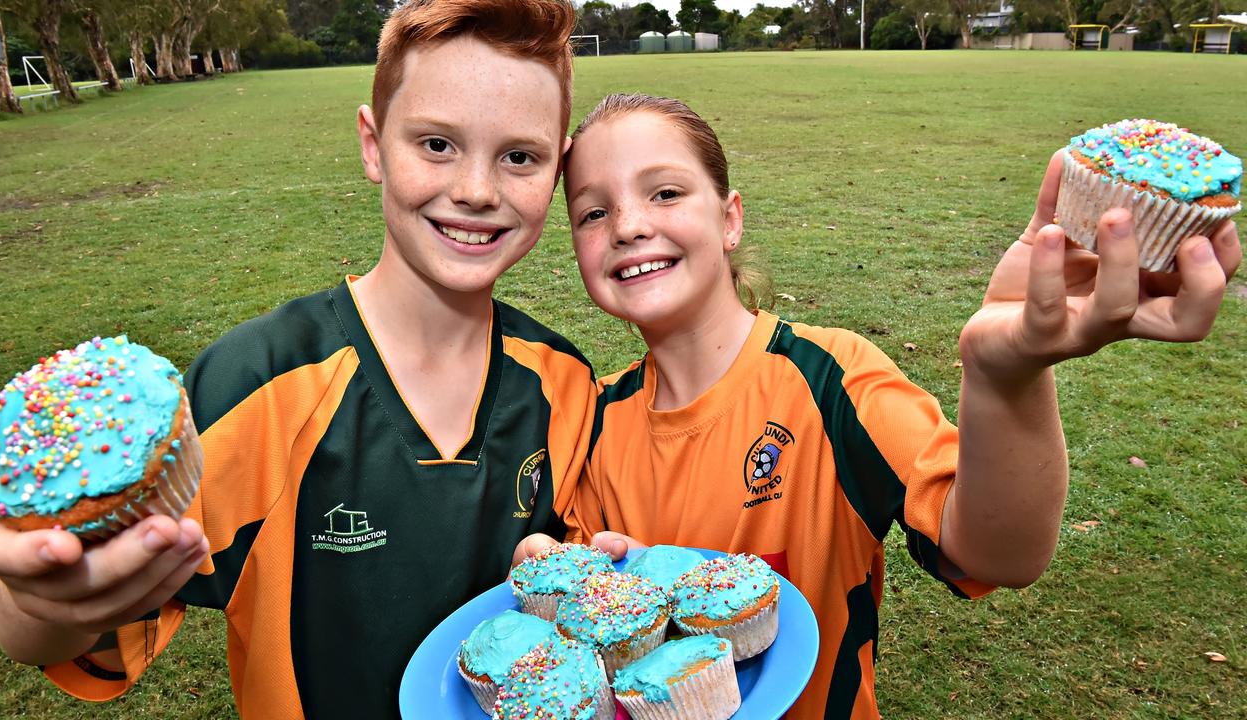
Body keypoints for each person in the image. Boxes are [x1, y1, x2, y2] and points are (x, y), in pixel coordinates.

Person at [516, 94, 1240, 718]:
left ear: (730, 218)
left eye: (666, 193)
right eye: (592, 212)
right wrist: (552, 563)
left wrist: (1006, 375)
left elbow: (1000, 553)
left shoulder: (832, 378)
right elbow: (593, 619)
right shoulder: (594, 416)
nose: (629, 226)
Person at [0, 1, 594, 717]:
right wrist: (36, 596)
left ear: (556, 169)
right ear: (372, 142)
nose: (477, 190)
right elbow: (72, 634)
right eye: (437, 145)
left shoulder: (564, 382)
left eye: (520, 156)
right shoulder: (256, 383)